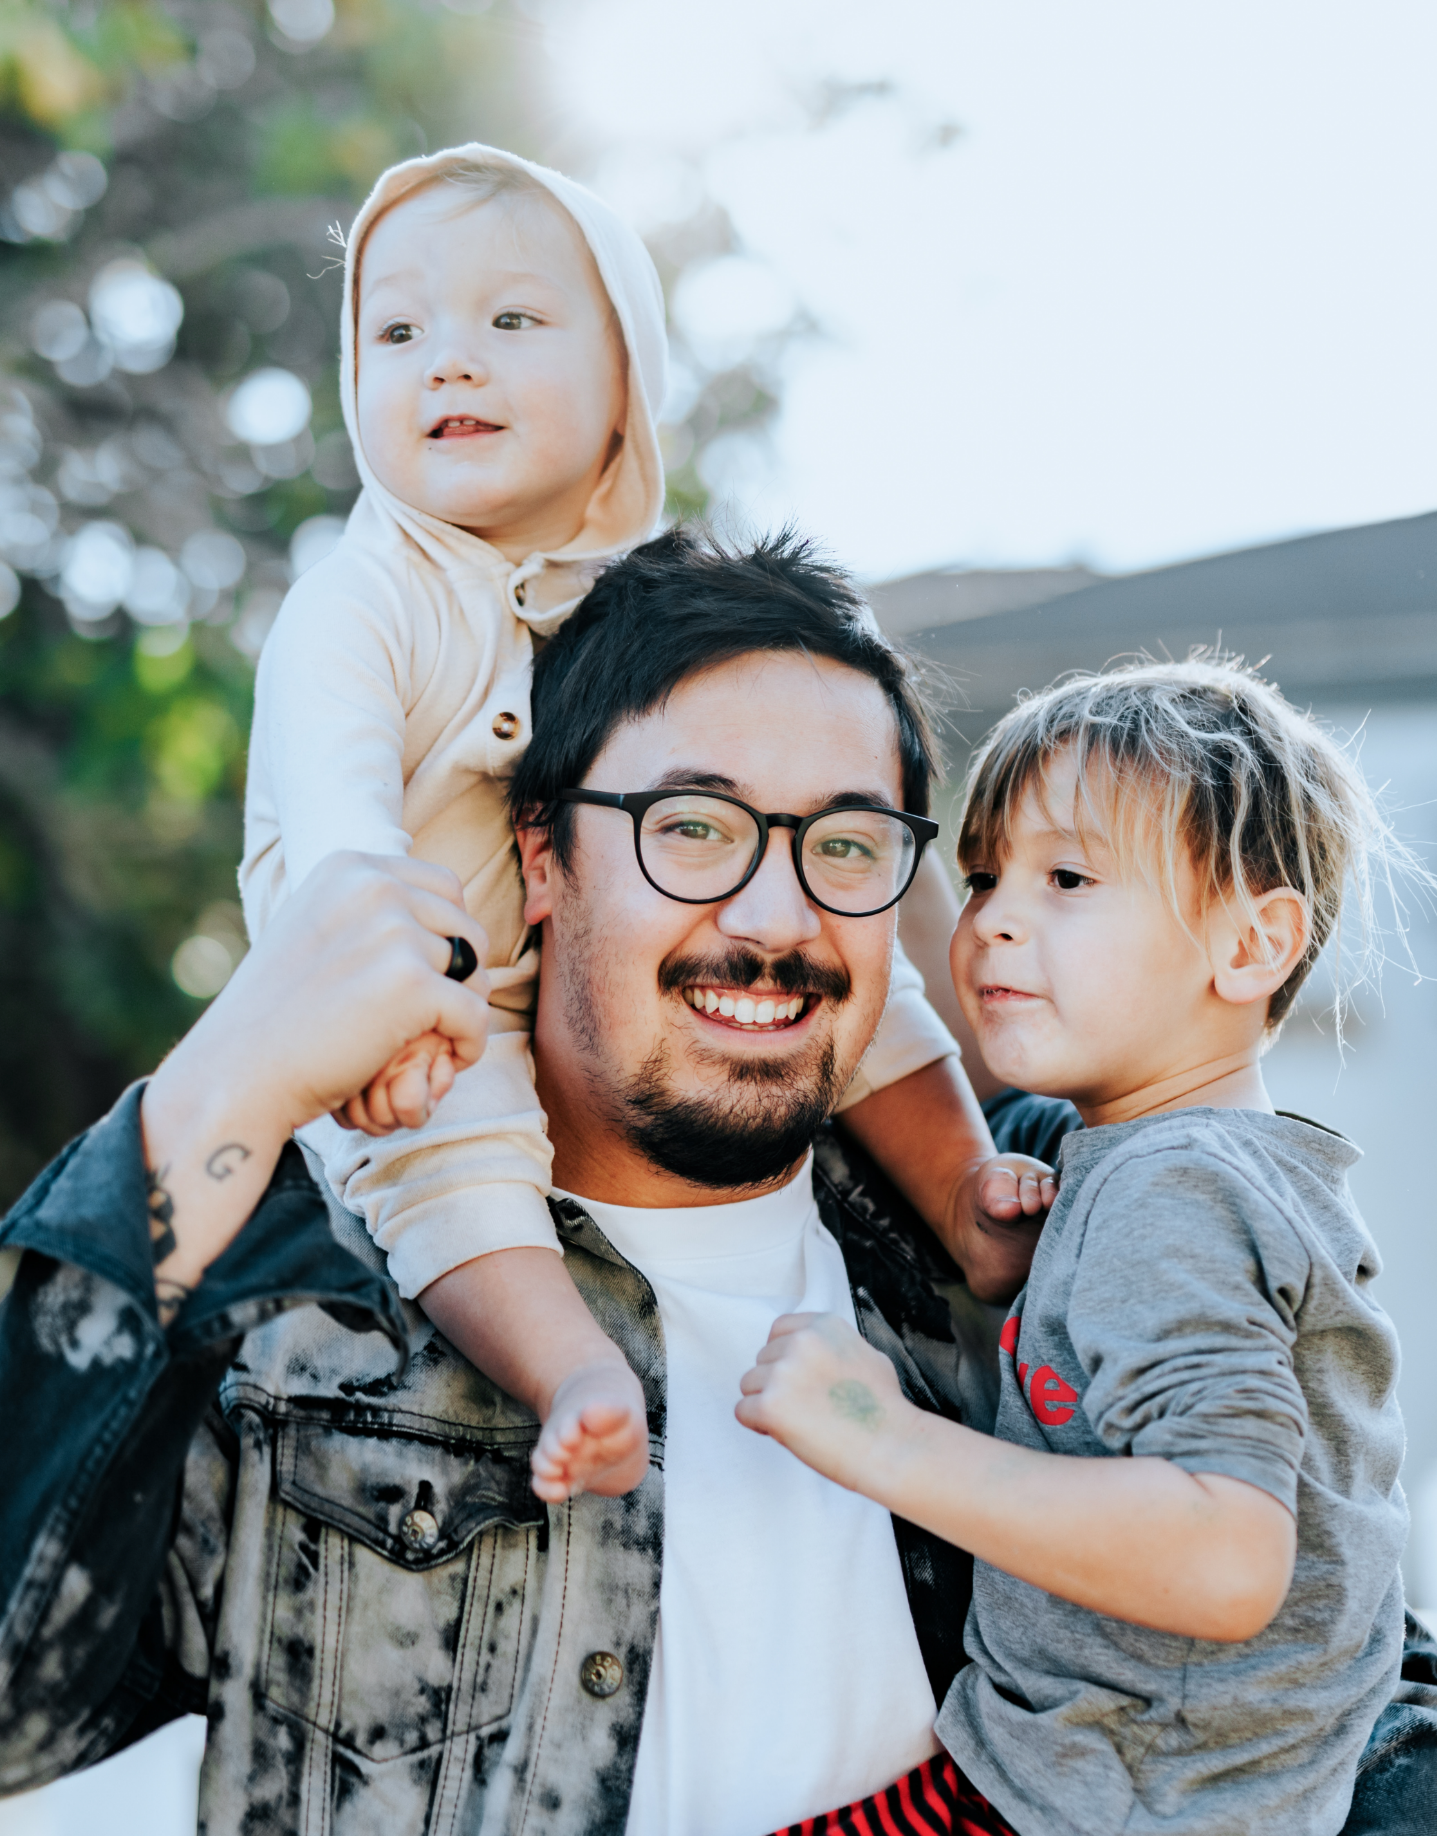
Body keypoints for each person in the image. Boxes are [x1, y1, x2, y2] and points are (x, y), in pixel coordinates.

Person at [0, 540, 1437, 1834]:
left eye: (846, 845)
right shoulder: (300, 1286)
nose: (774, 915)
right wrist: (225, 1083)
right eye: (693, 830)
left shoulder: (1025, 1218)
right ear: (540, 860)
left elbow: (1361, 1671)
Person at [240, 144, 1040, 1506]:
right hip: (409, 1006)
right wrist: (387, 1010)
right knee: (453, 1165)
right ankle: (572, 1370)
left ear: (628, 386)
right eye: (397, 330)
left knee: (863, 971)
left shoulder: (646, 609)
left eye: (510, 321)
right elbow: (338, 833)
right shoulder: (364, 598)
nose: (450, 361)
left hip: (541, 982)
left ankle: (968, 1195)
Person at [740, 656, 1437, 1834]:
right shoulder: (1195, 1167)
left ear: (1253, 945)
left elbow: (1226, 1556)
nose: (995, 917)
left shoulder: (1169, 1190)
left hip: (1100, 1797)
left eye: (1066, 876)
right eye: (980, 875)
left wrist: (877, 1437)